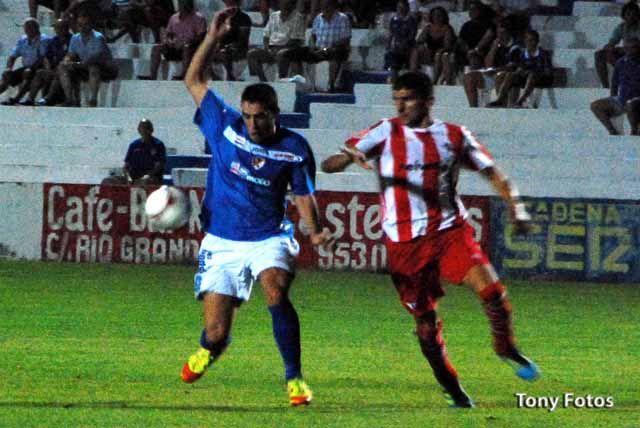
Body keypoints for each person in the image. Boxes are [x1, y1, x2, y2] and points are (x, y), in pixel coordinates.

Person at [320, 71, 539, 408]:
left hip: (449, 231)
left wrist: (517, 208)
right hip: (405, 244)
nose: (400, 105)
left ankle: (505, 346)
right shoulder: (384, 131)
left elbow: (492, 172)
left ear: (427, 100)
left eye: (407, 98)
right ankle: (452, 387)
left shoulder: (453, 135)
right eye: (396, 99)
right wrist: (349, 157)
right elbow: (329, 164)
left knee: (492, 290)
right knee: (425, 323)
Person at [180, 10, 333, 406]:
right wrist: (212, 36)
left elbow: (303, 195)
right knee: (216, 332)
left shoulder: (294, 148)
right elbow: (194, 80)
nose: (252, 125)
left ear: (274, 114)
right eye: (247, 116)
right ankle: (209, 349)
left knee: (276, 290)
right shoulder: (223, 125)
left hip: (269, 236)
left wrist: (314, 229)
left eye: (260, 117)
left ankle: (295, 379)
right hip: (222, 240)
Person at [58, 11, 119, 107]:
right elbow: (71, 54)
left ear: (91, 25)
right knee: (62, 67)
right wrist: (67, 61)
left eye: (85, 24)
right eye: (80, 25)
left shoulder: (98, 38)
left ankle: (93, 99)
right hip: (85, 66)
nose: (82, 27)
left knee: (93, 67)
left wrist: (77, 64)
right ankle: (69, 98)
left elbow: (94, 58)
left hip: (105, 68)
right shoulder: (75, 38)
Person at [137, 0, 207, 80]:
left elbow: (202, 36)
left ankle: (184, 76)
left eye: (185, 3)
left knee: (187, 47)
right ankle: (153, 76)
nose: (183, 5)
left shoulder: (199, 18)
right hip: (175, 47)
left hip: (190, 48)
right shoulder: (174, 17)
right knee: (156, 48)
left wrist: (187, 42)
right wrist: (169, 41)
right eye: (181, 3)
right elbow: (168, 33)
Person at [487, 29, 553, 108]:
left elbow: (547, 71)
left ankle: (520, 101)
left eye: (532, 40)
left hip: (542, 79)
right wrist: (520, 71)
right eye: (528, 40)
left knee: (532, 74)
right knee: (510, 75)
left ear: (537, 41)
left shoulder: (543, 54)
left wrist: (531, 70)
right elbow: (520, 67)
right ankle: (500, 99)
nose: (530, 43)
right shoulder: (523, 54)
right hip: (527, 77)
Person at [463, 19, 520, 107]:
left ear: (508, 32)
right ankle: (473, 107)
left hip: (506, 77)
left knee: (500, 75)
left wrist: (495, 71)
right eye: (498, 31)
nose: (499, 34)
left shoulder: (515, 47)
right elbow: (488, 64)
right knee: (469, 76)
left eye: (502, 31)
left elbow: (512, 67)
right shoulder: (496, 45)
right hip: (493, 74)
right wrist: (494, 47)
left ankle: (501, 105)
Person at [591, 36, 640, 136]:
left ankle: (634, 132)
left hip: (637, 101)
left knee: (631, 104)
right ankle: (613, 132)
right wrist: (613, 96)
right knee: (596, 105)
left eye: (633, 47)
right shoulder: (621, 62)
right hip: (622, 99)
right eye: (626, 48)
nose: (630, 50)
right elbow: (614, 83)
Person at [298, 0, 352, 92]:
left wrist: (329, 48)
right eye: (323, 6)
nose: (325, 8)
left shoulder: (342, 18)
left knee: (336, 54)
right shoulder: (318, 18)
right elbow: (313, 35)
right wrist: (312, 46)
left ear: (333, 6)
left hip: (336, 49)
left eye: (327, 6)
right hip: (319, 49)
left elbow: (345, 39)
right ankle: (310, 86)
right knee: (301, 54)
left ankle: (330, 85)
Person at [247, 0, 306, 82]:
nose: (285, 5)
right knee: (252, 54)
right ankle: (262, 80)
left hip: (289, 49)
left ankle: (282, 80)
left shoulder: (298, 17)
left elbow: (294, 40)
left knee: (282, 54)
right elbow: (266, 35)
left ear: (292, 5)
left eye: (287, 3)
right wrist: (267, 49)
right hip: (272, 49)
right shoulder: (273, 16)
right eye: (283, 3)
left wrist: (278, 49)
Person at [102, 119, 167, 186]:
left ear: (151, 130)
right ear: (138, 130)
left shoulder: (158, 145)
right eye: (142, 128)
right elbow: (126, 166)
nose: (144, 130)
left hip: (151, 178)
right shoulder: (134, 145)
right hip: (133, 177)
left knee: (146, 182)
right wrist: (128, 177)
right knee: (107, 181)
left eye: (147, 128)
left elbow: (159, 165)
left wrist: (147, 176)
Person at [0, 18, 49, 106]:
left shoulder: (44, 39)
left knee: (27, 72)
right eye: (26, 28)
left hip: (38, 68)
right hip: (27, 67)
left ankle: (16, 99)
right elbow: (12, 56)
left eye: (29, 27)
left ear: (36, 28)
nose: (27, 30)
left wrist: (31, 67)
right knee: (6, 74)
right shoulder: (23, 40)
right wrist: (8, 68)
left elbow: (43, 57)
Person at [25, 19, 72, 106]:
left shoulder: (72, 39)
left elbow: (72, 56)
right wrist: (48, 67)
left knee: (59, 72)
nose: (59, 30)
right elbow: (46, 57)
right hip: (54, 69)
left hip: (67, 69)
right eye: (57, 28)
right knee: (40, 73)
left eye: (61, 27)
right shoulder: (54, 41)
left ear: (67, 28)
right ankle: (30, 99)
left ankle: (48, 99)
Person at [594, 1, 640, 89]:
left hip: (637, 56)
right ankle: (606, 87)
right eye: (628, 14)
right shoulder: (621, 27)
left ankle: (627, 81)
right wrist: (610, 48)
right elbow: (611, 42)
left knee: (630, 51)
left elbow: (636, 45)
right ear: (624, 15)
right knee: (600, 55)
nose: (630, 17)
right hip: (627, 55)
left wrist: (624, 48)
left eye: (634, 14)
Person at [208, 0, 252, 81]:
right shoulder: (219, 17)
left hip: (238, 48)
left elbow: (243, 39)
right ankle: (214, 78)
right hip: (221, 46)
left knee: (225, 52)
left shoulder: (244, 18)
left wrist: (229, 46)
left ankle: (230, 76)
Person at [415, 6, 457, 85]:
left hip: (444, 52)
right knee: (416, 51)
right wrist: (421, 46)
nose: (437, 18)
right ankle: (413, 75)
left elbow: (447, 45)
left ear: (443, 17)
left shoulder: (447, 28)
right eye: (435, 15)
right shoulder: (428, 28)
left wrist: (441, 50)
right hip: (430, 53)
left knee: (440, 55)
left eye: (439, 15)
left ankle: (436, 80)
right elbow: (419, 41)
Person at [385, 0, 418, 84]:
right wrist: (388, 44)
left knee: (413, 55)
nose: (401, 10)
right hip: (397, 48)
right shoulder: (394, 20)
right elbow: (391, 33)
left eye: (403, 7)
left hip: (409, 47)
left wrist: (404, 43)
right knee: (392, 64)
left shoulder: (412, 20)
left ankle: (412, 79)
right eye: (399, 7)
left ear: (407, 8)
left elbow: (412, 34)